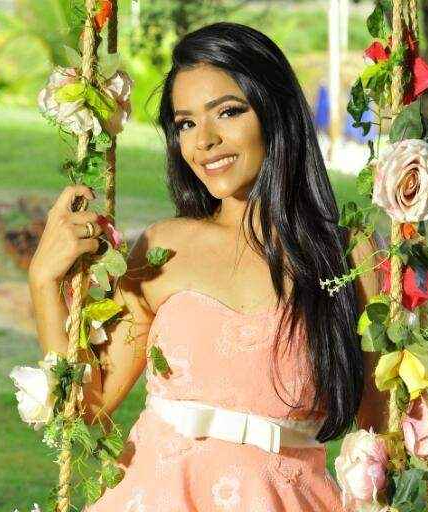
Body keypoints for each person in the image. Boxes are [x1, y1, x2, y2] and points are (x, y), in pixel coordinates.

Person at [29, 21, 388, 512]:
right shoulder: (163, 248)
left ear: (275, 111)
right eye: (186, 124)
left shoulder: (346, 256)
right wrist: (44, 281)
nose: (205, 141)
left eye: (228, 112)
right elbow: (86, 410)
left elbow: (381, 434)